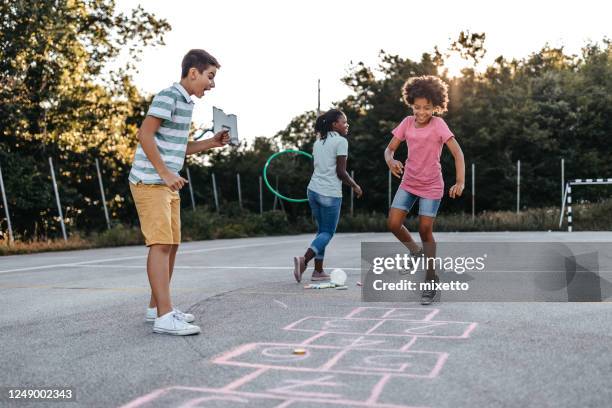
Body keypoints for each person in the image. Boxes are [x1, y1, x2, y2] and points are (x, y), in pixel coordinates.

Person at [129, 49, 230, 335]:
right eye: (210, 77)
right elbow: (144, 134)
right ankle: (164, 317)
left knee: (171, 246)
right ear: (193, 72)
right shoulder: (168, 96)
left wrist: (211, 143)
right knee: (160, 245)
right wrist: (165, 173)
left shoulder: (186, 103)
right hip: (150, 181)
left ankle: (157, 307)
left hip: (167, 182)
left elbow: (178, 147)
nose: (212, 84)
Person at [384, 75, 465, 305]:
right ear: (411, 104)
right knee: (392, 224)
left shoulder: (439, 124)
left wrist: (460, 182)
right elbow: (389, 150)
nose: (421, 112)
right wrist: (391, 161)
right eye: (417, 107)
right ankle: (416, 253)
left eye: (427, 108)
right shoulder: (407, 123)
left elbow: (457, 153)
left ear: (435, 106)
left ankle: (431, 281)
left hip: (431, 184)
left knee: (424, 228)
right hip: (409, 182)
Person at [293, 109, 363, 282]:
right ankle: (304, 260)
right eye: (344, 122)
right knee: (328, 232)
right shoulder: (341, 141)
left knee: (321, 231)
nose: (347, 125)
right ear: (334, 125)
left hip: (313, 191)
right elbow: (341, 172)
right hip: (329, 193)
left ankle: (318, 271)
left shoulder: (318, 142)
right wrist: (355, 186)